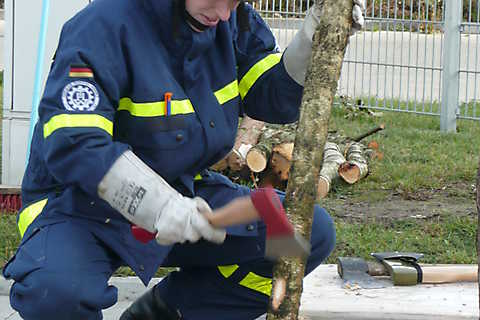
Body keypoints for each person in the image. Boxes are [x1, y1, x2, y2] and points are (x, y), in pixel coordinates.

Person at [3, 0, 365, 319]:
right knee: (55, 295)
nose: (224, 14)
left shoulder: (231, 21)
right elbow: (77, 144)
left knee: (302, 237)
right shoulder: (103, 26)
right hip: (81, 205)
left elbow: (271, 95)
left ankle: (169, 313)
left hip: (183, 195)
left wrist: (312, 39)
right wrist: (157, 206)